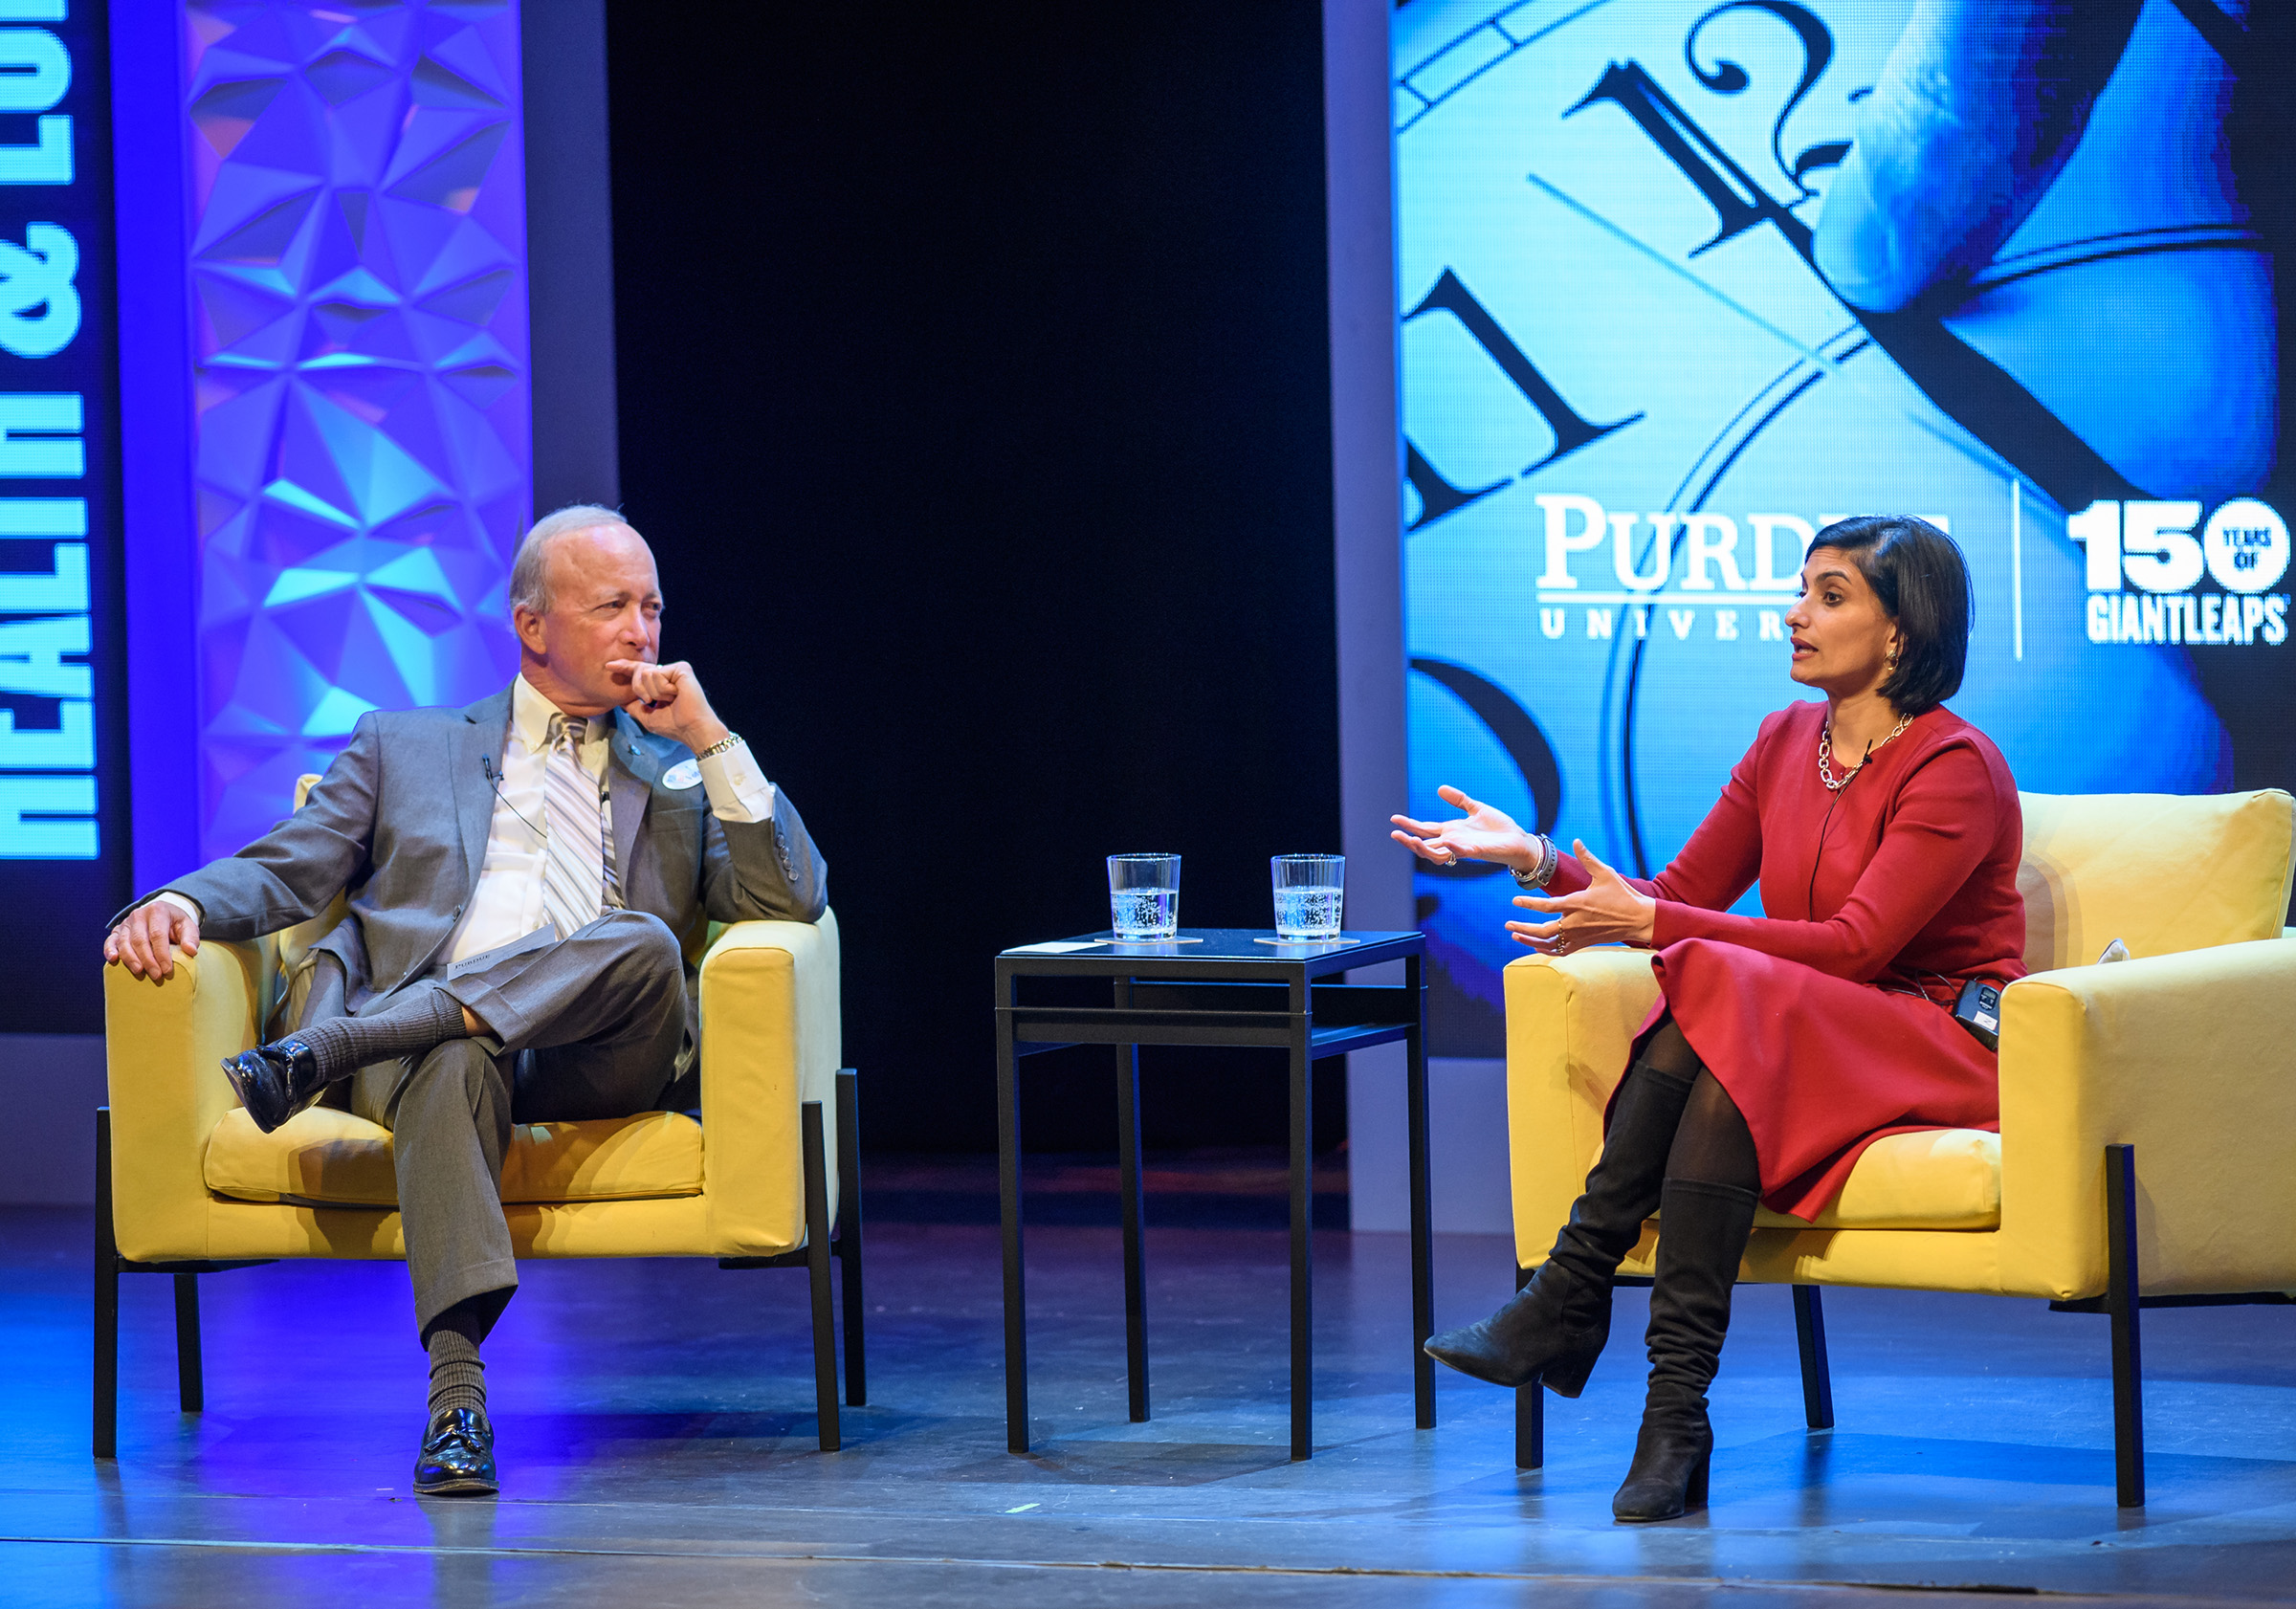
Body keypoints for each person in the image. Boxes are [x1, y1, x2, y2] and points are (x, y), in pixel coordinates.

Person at [100, 506, 828, 1498]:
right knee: (452, 1046)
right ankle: (457, 1401)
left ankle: (332, 1045)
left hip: (603, 1051)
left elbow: (792, 898)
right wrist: (180, 898)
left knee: (644, 939)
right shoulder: (406, 744)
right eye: (612, 605)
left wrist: (710, 737)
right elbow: (293, 864)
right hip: (434, 1063)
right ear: (533, 624)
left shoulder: (677, 771)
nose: (642, 631)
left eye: (652, 607)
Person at [1392, 517, 2022, 1523]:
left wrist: (1655, 923)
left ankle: (1575, 1293)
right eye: (1801, 590)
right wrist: (1534, 855)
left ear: (1900, 632)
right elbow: (1678, 891)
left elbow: (1861, 945)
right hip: (1805, 1023)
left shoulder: (1954, 766)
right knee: (1730, 1012)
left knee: (1726, 978)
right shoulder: (1783, 741)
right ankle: (1671, 1411)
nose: (1794, 613)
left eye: (1829, 594)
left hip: (1941, 1032)